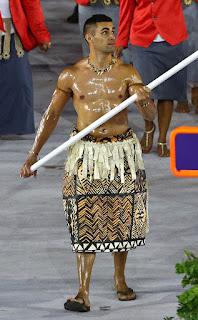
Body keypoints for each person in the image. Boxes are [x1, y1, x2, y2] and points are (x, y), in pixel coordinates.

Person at [20, 15, 156, 312]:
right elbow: (51, 115)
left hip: (121, 154)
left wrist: (144, 100)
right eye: (105, 32)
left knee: (122, 216)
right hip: (86, 153)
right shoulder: (72, 75)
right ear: (89, 37)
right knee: (84, 218)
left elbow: (149, 117)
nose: (112, 36)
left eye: (113, 31)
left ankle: (120, 280)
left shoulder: (127, 72)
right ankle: (83, 291)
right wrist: (34, 154)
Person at [115, 0, 188, 157]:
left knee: (168, 93)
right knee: (144, 92)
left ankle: (162, 140)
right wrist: (121, 41)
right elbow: (126, 8)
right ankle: (149, 128)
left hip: (172, 37)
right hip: (143, 38)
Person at [0, 0, 51, 136]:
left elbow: (31, 4)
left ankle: (10, 126)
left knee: (19, 82)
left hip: (11, 34)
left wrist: (41, 34)